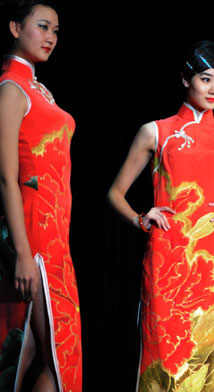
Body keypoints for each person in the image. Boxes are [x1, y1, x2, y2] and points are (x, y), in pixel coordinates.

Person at [107, 40, 214, 392]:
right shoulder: (155, 131)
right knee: (164, 355)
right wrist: (142, 218)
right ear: (186, 79)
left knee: (213, 355)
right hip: (166, 256)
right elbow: (114, 194)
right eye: (206, 79)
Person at [0, 1, 83, 391]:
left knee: (54, 358)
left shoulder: (40, 90)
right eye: (43, 27)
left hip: (55, 237)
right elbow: (5, 177)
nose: (51, 37)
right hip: (32, 234)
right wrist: (21, 253)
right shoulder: (11, 88)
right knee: (42, 357)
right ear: (15, 28)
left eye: (56, 31)